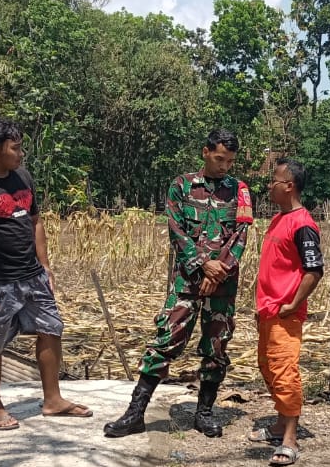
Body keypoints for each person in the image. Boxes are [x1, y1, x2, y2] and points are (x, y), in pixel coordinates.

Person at [104, 128, 252, 439]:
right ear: (205, 152)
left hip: (222, 287)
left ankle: (205, 413)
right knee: (164, 343)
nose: (225, 166)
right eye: (220, 158)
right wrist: (202, 267)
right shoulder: (181, 186)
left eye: (230, 161)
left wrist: (218, 271)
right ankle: (135, 414)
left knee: (216, 348)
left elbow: (240, 237)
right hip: (187, 283)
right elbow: (177, 231)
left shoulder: (239, 190)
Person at [0, 118, 92, 429]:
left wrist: (45, 265)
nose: (21, 153)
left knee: (51, 328)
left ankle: (53, 399)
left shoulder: (23, 177)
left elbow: (35, 221)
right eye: (15, 148)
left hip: (32, 277)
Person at [249, 158, 324, 467]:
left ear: (289, 186)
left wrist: (293, 304)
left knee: (284, 370)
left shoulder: (303, 224)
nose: (270, 186)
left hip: (284, 313)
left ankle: (289, 438)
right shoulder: (279, 219)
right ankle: (281, 423)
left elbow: (314, 269)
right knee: (267, 366)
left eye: (275, 181)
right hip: (268, 310)